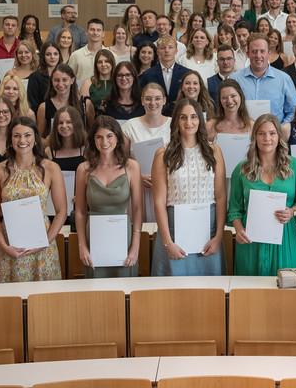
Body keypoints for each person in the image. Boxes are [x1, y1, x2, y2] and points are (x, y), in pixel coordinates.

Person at [228, 114, 296, 276]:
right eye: (261, 133)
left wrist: (293, 211)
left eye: (272, 133)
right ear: (255, 137)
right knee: (250, 294)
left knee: (286, 291)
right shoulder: (241, 169)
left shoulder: (295, 166)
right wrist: (239, 230)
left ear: (279, 136)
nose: (267, 138)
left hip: (285, 237)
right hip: (251, 240)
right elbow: (234, 208)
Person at [150, 99, 227, 276]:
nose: (189, 122)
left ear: (200, 120)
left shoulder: (213, 151)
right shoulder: (163, 153)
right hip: (174, 232)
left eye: (193, 117)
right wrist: (168, 242)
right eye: (183, 117)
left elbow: (221, 196)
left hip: (208, 232)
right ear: (176, 120)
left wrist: (218, 237)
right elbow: (159, 202)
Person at [0, 117, 65, 282]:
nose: (22, 140)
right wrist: (5, 247)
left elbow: (61, 211)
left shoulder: (51, 168)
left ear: (35, 138)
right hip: (9, 244)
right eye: (16, 136)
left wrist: (46, 241)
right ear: (10, 139)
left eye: (27, 135)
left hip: (42, 244)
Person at [72, 116, 142, 278]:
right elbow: (80, 212)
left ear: (117, 138)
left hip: (124, 237)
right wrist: (82, 245)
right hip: (93, 238)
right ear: (93, 140)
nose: (104, 142)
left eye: (109, 136)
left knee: (125, 289)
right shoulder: (84, 169)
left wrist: (135, 245)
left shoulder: (131, 166)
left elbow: (138, 209)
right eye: (99, 137)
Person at [122, 83, 171, 221]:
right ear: (142, 100)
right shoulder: (129, 127)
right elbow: (121, 159)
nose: (153, 103)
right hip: (139, 188)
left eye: (157, 98)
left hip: (167, 187)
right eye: (148, 98)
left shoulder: (174, 126)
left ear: (164, 100)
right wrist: (138, 177)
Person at [234, 34, 296, 123]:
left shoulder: (284, 79)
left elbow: (293, 111)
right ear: (248, 54)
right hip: (244, 134)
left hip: (274, 135)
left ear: (269, 53)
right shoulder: (235, 80)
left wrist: (281, 129)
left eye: (262, 51)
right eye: (254, 51)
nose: (258, 55)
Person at [139, 36, 189, 115]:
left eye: (170, 47)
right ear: (158, 51)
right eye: (163, 48)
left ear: (176, 50)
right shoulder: (147, 75)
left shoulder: (186, 74)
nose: (166, 50)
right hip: (155, 117)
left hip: (180, 116)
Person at [68, 18, 106, 85]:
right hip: (81, 94)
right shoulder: (76, 55)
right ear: (86, 33)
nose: (95, 33)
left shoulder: (111, 55)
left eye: (98, 30)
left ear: (103, 34)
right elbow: (69, 78)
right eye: (92, 29)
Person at [26, 41, 61, 115]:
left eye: (55, 54)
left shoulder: (65, 74)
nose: (52, 57)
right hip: (42, 116)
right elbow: (33, 103)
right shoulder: (35, 77)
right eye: (48, 54)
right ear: (43, 56)